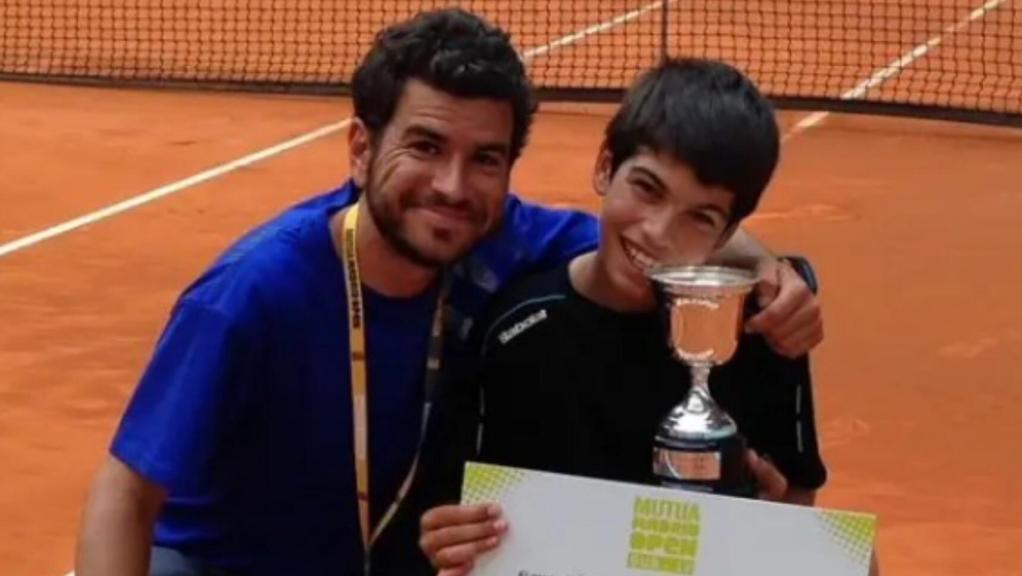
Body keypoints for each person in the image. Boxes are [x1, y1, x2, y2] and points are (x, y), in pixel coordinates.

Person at [75, 9, 823, 576]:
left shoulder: (505, 237)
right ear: (362, 149)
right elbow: (126, 491)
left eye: (485, 159)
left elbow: (652, 234)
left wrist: (766, 268)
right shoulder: (253, 293)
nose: (452, 187)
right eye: (426, 147)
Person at [418, 58, 833, 576]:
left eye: (700, 217)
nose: (658, 231)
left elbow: (799, 501)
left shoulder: (760, 334)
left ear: (728, 235)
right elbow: (452, 510)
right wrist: (449, 540)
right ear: (604, 167)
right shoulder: (515, 332)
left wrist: (772, 528)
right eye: (647, 188)